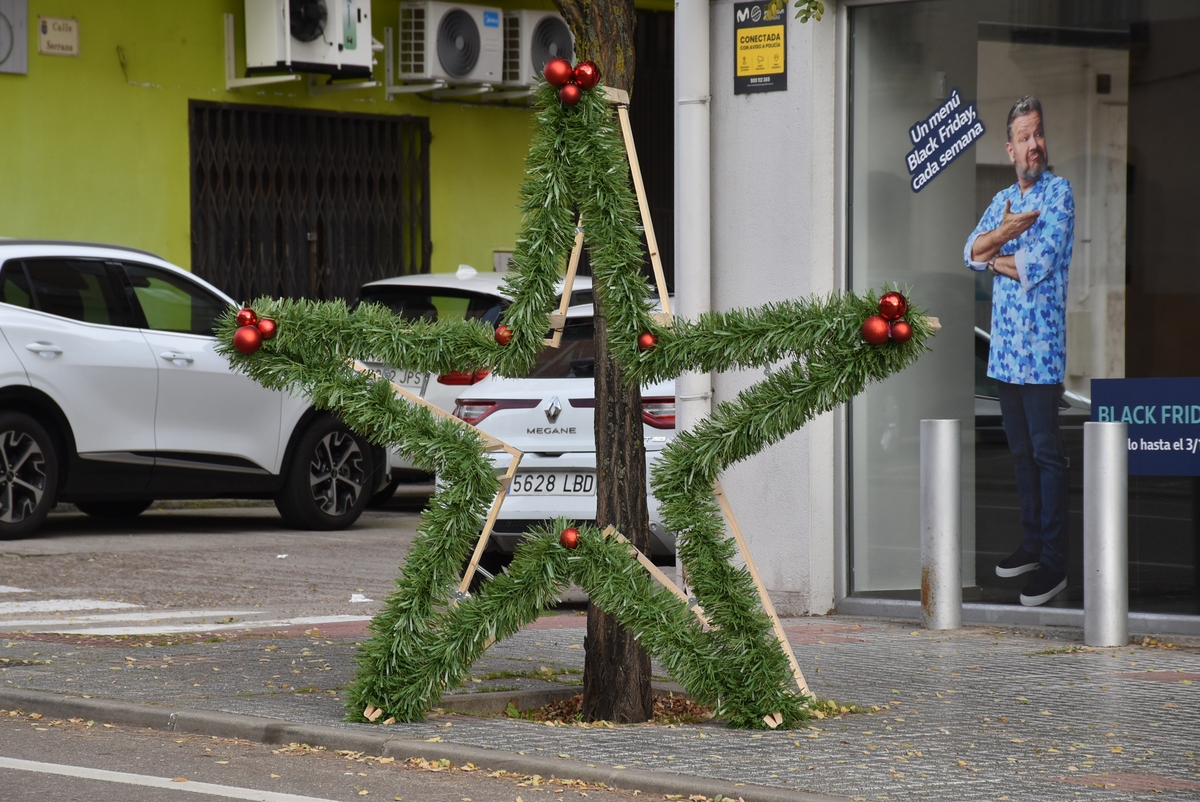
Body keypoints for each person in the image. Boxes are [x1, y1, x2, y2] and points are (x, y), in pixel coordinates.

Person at [964, 95, 1075, 607]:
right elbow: (968, 250)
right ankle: (1031, 544)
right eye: (1025, 138)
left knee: (1048, 455)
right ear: (1009, 148)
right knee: (1021, 454)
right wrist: (997, 240)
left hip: (1042, 355)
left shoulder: (1059, 195)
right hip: (1006, 355)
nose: (1035, 145)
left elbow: (1037, 263)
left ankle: (1054, 563)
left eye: (1039, 134)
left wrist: (997, 252)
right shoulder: (1003, 200)